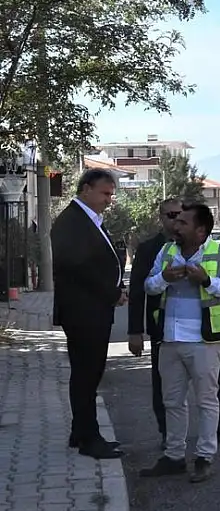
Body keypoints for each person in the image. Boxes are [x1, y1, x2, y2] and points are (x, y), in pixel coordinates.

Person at [138, 203, 220, 483]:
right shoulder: (167, 251)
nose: (175, 226)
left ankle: (204, 457)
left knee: (207, 401)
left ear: (200, 230)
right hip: (169, 340)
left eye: (182, 222)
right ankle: (174, 456)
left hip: (204, 341)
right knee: (171, 401)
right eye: (175, 221)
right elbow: (148, 286)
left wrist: (207, 281)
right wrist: (164, 278)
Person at [51, 169, 128, 460]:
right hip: (83, 311)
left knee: (89, 374)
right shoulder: (72, 222)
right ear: (86, 189)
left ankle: (80, 430)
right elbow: (78, 268)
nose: (109, 200)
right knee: (87, 374)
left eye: (111, 194)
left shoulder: (89, 220)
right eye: (104, 193)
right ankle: (89, 438)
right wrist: (111, 293)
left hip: (94, 309)